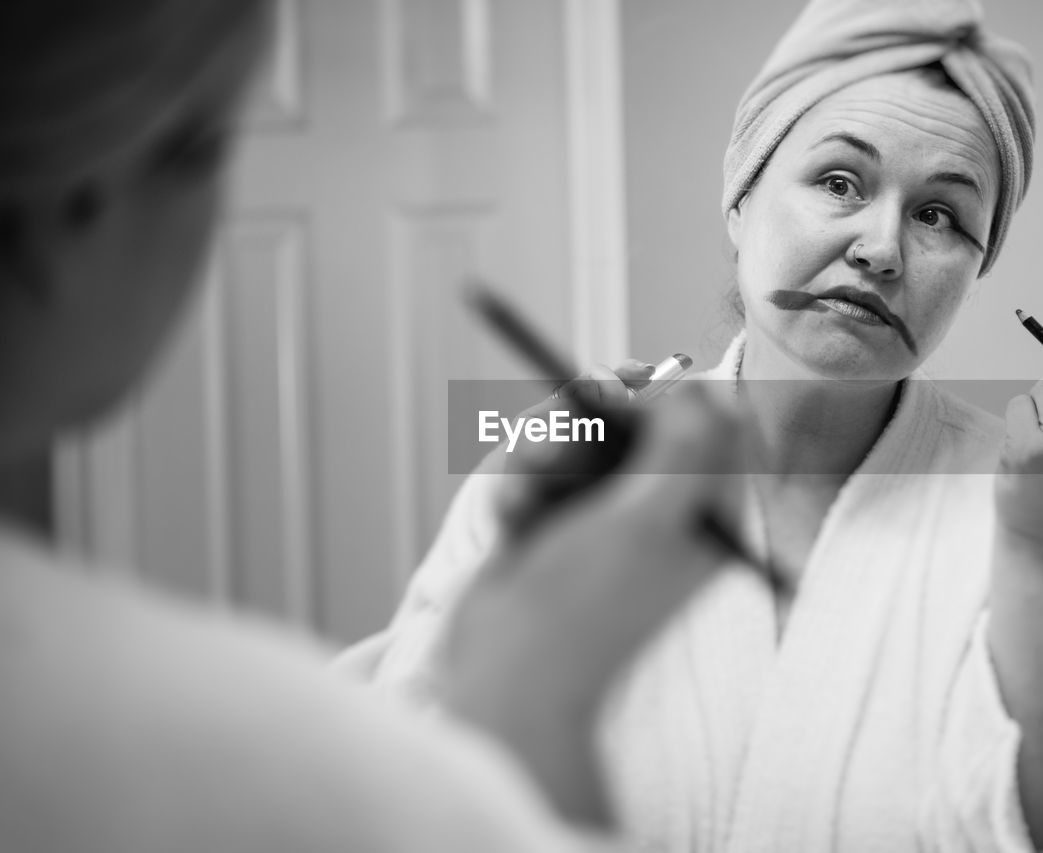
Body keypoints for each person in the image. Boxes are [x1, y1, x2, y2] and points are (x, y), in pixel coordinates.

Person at [343, 0, 1043, 850]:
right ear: (741, 199)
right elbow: (408, 789)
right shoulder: (568, 458)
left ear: (977, 267)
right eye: (839, 181)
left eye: (940, 214)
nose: (882, 249)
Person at [0, 1, 746, 850]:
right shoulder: (200, 755)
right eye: (210, 148)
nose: (877, 246)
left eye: (937, 211)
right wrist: (532, 696)